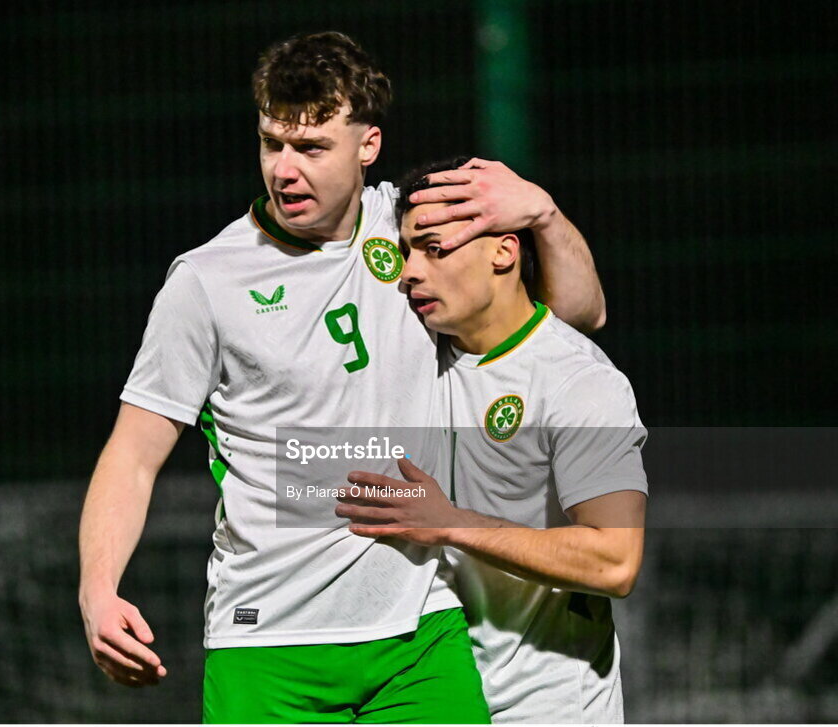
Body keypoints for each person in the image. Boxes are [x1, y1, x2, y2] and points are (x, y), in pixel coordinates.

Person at [78, 33, 606, 722]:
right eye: (273, 143)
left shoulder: (417, 234)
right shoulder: (207, 281)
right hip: (269, 641)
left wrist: (542, 212)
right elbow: (133, 453)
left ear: (369, 145)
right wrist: (97, 588)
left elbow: (577, 316)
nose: (285, 171)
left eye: (312, 148)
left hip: (420, 632)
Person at [336, 158, 648, 723]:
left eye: (434, 248)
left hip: (545, 708)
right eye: (406, 251)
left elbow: (615, 561)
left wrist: (451, 522)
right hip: (431, 696)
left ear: (503, 252)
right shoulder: (417, 356)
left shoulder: (578, 380)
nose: (409, 272)